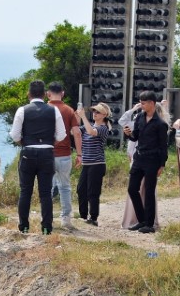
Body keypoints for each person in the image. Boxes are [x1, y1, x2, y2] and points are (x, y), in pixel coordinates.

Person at [9, 80, 66, 234]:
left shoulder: (22, 110)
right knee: (46, 193)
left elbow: (14, 135)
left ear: (29, 94)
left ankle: (24, 227)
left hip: (28, 152)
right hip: (47, 153)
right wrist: (50, 142)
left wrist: (24, 141)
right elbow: (62, 134)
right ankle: (47, 227)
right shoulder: (54, 110)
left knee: (25, 191)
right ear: (45, 94)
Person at [124, 90, 168, 234]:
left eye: (143, 103)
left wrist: (162, 164)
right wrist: (129, 134)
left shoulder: (160, 124)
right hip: (139, 158)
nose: (141, 105)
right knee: (132, 189)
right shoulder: (139, 118)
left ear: (151, 103)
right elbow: (135, 137)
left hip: (153, 160)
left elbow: (163, 146)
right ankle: (142, 220)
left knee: (149, 192)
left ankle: (149, 224)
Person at [47, 82, 82, 228]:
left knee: (46, 187)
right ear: (62, 93)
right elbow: (77, 133)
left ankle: (47, 218)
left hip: (46, 154)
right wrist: (79, 154)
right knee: (65, 187)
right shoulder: (68, 110)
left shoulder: (43, 108)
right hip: (64, 154)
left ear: (48, 94)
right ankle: (66, 219)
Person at [74, 103, 111, 225]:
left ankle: (93, 217)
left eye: (98, 112)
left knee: (92, 191)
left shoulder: (103, 128)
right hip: (87, 163)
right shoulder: (87, 126)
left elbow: (91, 132)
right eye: (94, 111)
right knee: (81, 189)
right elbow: (74, 132)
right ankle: (83, 215)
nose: (94, 113)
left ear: (104, 115)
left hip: (97, 164)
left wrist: (83, 117)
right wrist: (76, 118)